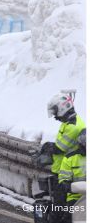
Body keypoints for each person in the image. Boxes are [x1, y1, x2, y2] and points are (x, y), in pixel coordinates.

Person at [39, 93, 86, 223]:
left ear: (62, 108)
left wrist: (48, 147)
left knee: (59, 210)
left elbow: (60, 148)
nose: (54, 115)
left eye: (55, 111)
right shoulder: (68, 123)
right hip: (65, 172)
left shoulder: (73, 127)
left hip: (67, 174)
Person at [58, 129, 86, 223]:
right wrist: (67, 186)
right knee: (67, 218)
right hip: (76, 198)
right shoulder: (69, 158)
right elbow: (63, 179)